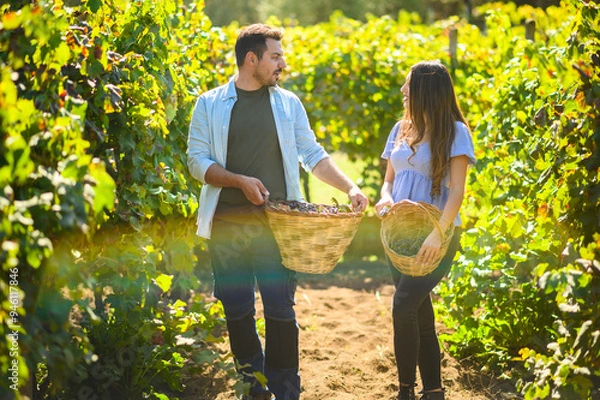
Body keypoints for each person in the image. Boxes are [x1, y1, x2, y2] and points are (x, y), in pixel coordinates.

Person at [187, 23, 368, 400]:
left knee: (280, 311)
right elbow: (196, 162)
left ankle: (286, 390)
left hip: (278, 226)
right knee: (237, 311)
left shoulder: (288, 104)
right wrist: (239, 181)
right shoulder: (209, 103)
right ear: (251, 59)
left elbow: (312, 155)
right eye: (276, 56)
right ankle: (254, 387)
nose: (282, 64)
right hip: (226, 227)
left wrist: (349, 186)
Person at [374, 61, 476, 400]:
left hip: (438, 236)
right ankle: (433, 390)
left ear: (426, 91)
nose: (403, 91)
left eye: (408, 86)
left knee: (403, 305)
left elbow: (458, 192)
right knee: (418, 310)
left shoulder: (455, 132)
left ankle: (405, 391)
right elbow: (388, 180)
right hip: (399, 234)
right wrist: (385, 200)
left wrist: (439, 234)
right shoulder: (399, 129)